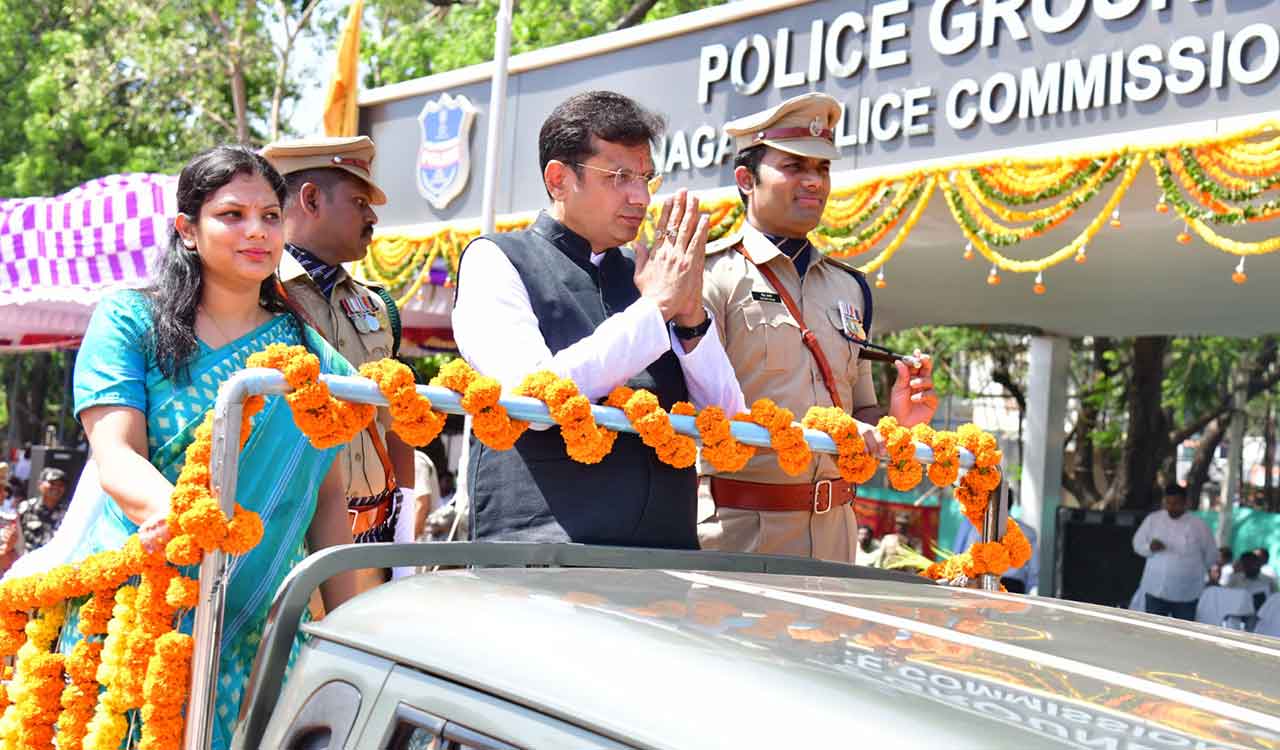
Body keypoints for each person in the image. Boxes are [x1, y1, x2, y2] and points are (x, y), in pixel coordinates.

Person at [50, 145, 360, 749]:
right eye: (232, 215)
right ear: (187, 230)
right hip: (137, 610)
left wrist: (355, 638)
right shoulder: (130, 320)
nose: (257, 232)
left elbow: (326, 500)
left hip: (249, 637)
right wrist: (184, 522)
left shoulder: (312, 356)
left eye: (271, 217)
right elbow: (114, 452)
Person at [452, 90, 745, 548]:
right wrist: (655, 310)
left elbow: (725, 421)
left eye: (646, 177)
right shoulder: (496, 260)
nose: (641, 197)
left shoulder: (647, 277)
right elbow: (534, 399)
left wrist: (690, 317)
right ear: (559, 180)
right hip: (544, 561)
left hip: (664, 560)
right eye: (619, 176)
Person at [697, 93, 938, 562]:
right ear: (746, 179)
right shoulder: (711, 277)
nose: (813, 182)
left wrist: (894, 422)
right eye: (794, 167)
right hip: (739, 532)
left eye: (823, 169)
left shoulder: (849, 288)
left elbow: (860, 409)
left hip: (837, 534)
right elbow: (699, 409)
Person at [262, 136, 416, 549]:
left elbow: (395, 421)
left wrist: (403, 530)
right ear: (311, 200)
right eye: (359, 203)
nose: (373, 218)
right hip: (280, 532)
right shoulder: (256, 293)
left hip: (368, 530)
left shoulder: (377, 304)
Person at [1132, 484, 1217, 620]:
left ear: (1185, 503)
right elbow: (1137, 544)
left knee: (1182, 634)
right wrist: (1150, 548)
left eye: (1176, 503)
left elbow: (1211, 555)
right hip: (1156, 589)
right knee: (1154, 633)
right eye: (1168, 503)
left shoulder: (1198, 525)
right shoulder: (1153, 520)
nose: (1171, 507)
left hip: (1186, 592)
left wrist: (1193, 571)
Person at [952, 491, 1040, 594]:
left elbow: (957, 553)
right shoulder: (1028, 531)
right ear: (1011, 503)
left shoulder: (973, 524)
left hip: (979, 584)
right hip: (1012, 588)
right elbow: (1034, 572)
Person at [17, 466, 69, 552]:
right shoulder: (25, 508)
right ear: (40, 484)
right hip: (28, 560)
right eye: (52, 483)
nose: (56, 488)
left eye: (61, 485)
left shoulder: (69, 512)